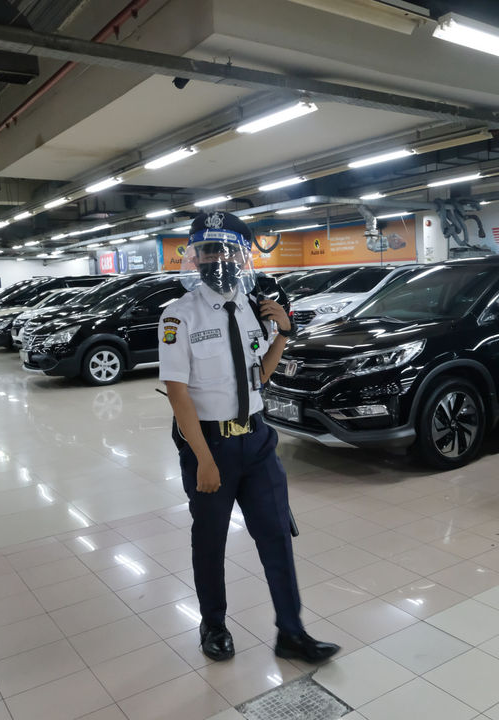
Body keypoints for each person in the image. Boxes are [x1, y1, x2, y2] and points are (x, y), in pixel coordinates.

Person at [158, 211, 339, 664]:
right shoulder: (178, 315)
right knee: (211, 540)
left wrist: (280, 333)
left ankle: (291, 632)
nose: (217, 258)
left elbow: (259, 375)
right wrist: (202, 457)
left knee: (276, 534)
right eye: (208, 249)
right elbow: (178, 394)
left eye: (227, 249)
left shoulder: (251, 307)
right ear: (195, 256)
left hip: (258, 442)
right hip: (211, 445)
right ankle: (213, 624)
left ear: (243, 256)